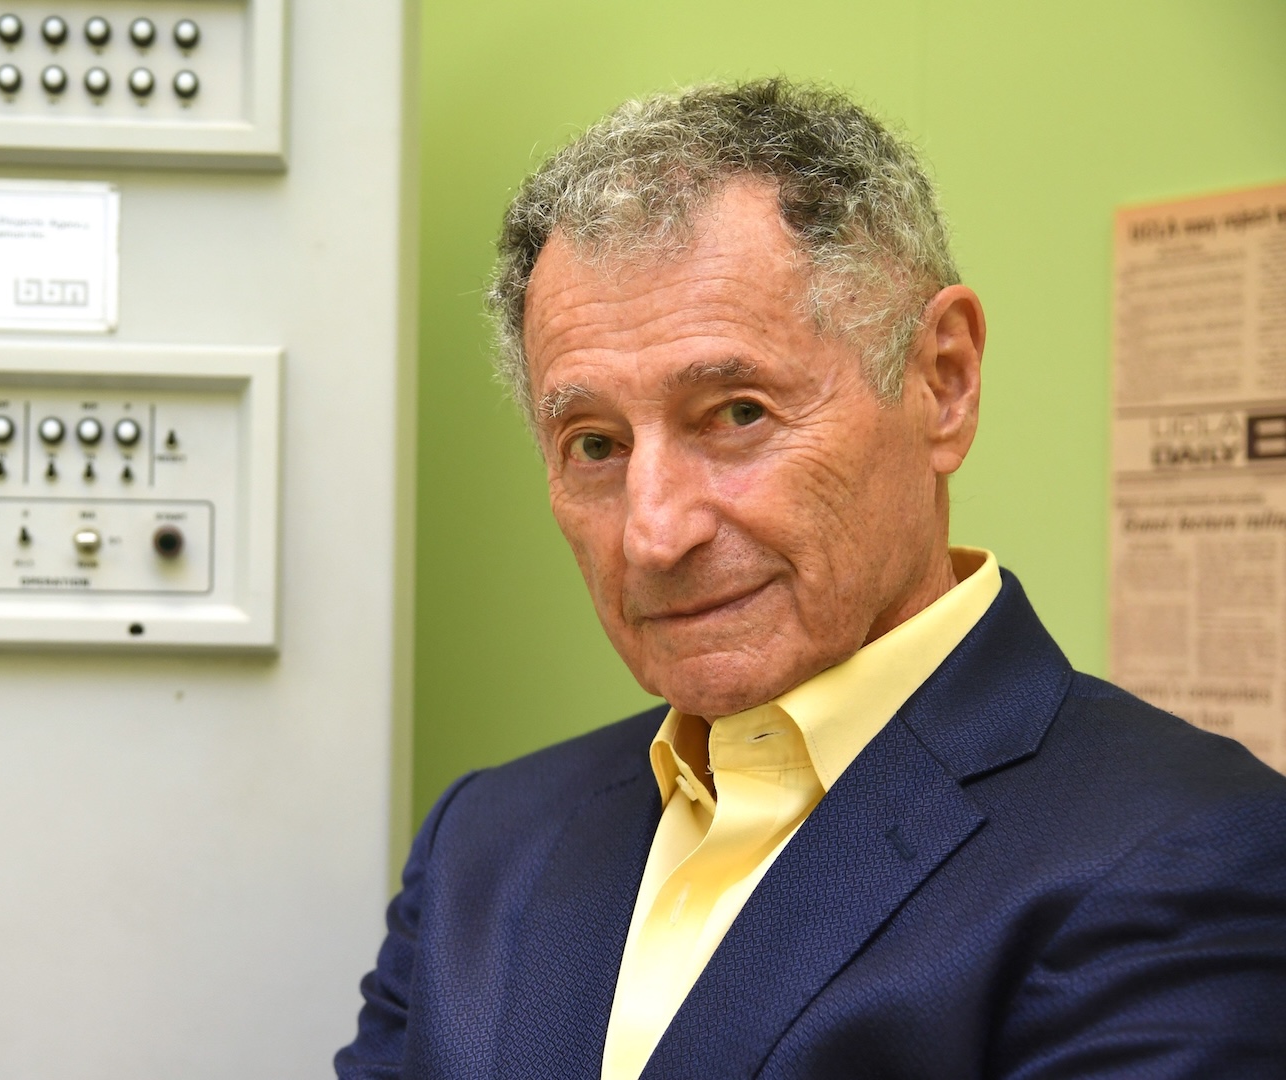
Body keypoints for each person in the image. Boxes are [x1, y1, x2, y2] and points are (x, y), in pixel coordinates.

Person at [336, 79, 1286, 1079]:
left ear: (943, 382)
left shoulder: (1182, 856)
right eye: (595, 443)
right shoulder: (484, 847)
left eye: (737, 413)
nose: (656, 532)